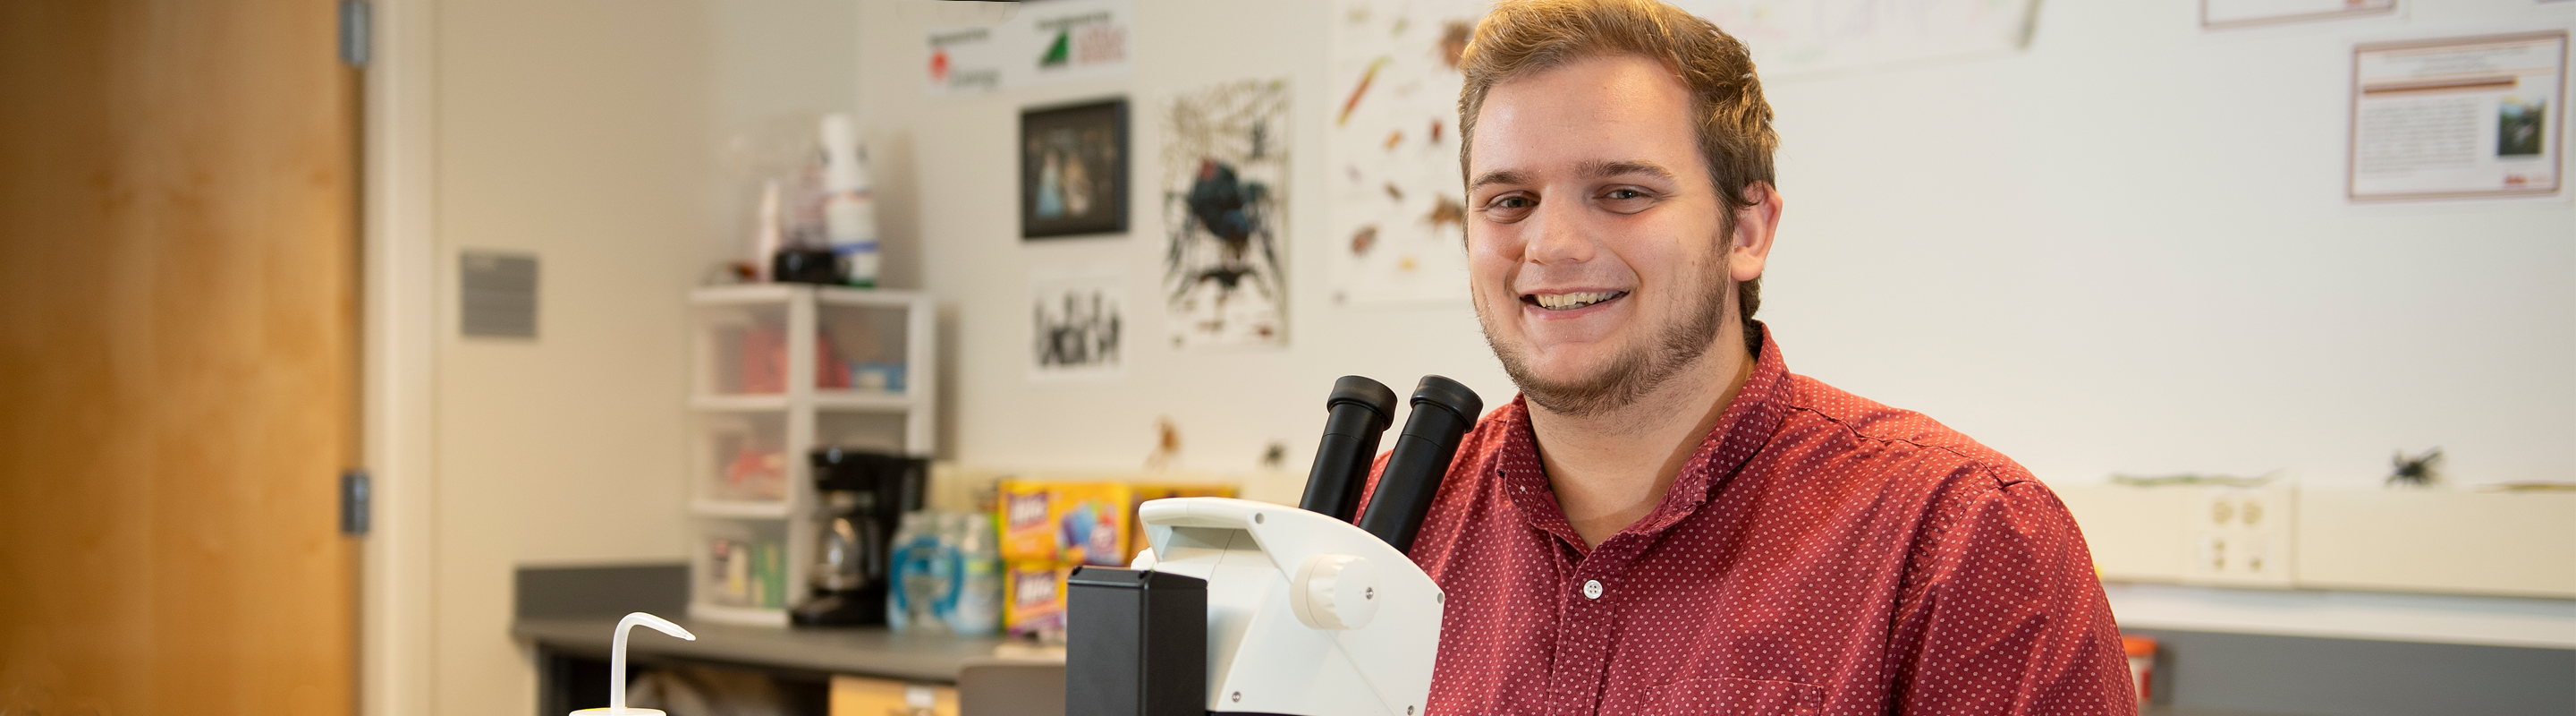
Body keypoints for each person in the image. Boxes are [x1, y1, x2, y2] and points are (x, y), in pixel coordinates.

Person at [1360, 0, 2138, 712]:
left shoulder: (1964, 538)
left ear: (1746, 231)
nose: (1552, 245)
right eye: (1509, 201)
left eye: (1623, 193)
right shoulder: (1380, 523)